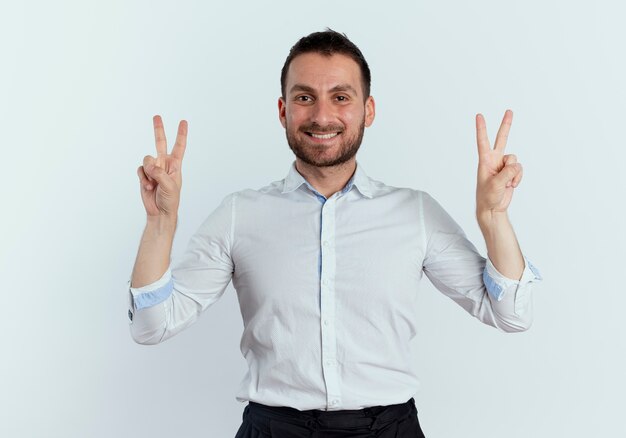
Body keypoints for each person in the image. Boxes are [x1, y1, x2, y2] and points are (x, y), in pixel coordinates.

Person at [127, 29, 542, 437]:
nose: (322, 116)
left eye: (340, 97)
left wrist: (493, 218)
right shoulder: (240, 214)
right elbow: (152, 326)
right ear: (283, 110)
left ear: (368, 110)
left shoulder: (415, 212)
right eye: (304, 97)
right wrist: (160, 225)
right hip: (274, 429)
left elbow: (511, 314)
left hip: (389, 429)